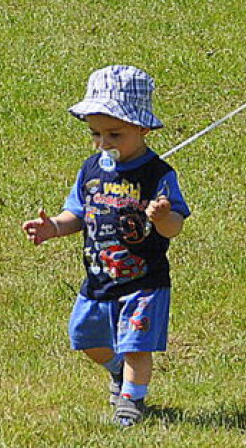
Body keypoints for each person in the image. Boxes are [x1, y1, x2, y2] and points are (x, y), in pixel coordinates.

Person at [22, 65, 190, 428]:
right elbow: (77, 213)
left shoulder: (158, 174)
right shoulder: (91, 169)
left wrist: (161, 217)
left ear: (142, 129)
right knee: (84, 338)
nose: (104, 143)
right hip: (99, 278)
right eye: (96, 134)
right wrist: (53, 228)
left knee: (136, 344)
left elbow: (174, 226)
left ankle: (132, 400)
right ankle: (118, 372)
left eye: (115, 133)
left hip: (144, 280)